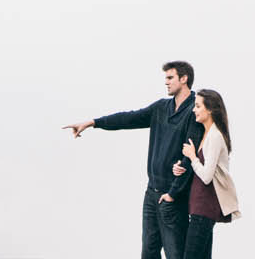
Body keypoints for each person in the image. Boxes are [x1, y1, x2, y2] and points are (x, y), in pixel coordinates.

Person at [64, 61, 204, 259]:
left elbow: (190, 155)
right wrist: (93, 123)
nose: (166, 82)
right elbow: (128, 118)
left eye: (170, 78)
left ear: (184, 79)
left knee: (175, 254)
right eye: (165, 78)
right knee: (148, 251)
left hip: (173, 197)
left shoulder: (195, 110)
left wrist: (173, 193)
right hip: (152, 194)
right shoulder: (161, 108)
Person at [179, 88, 240, 257]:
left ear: (210, 109)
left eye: (198, 106)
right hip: (199, 209)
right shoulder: (206, 133)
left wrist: (192, 157)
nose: (194, 110)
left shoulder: (215, 136)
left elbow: (206, 177)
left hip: (204, 208)